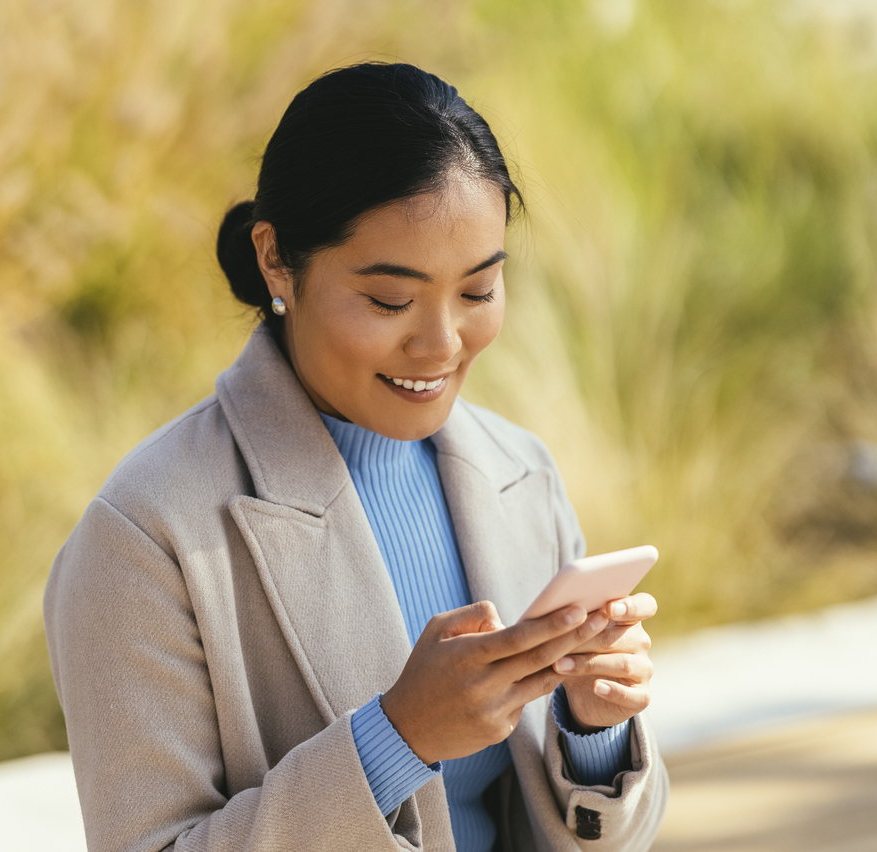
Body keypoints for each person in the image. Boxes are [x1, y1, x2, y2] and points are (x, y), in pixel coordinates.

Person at [43, 62, 669, 852]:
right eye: (390, 300)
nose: (441, 344)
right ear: (276, 261)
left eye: (478, 292)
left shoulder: (520, 473)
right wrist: (396, 739)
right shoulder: (144, 535)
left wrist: (592, 732)